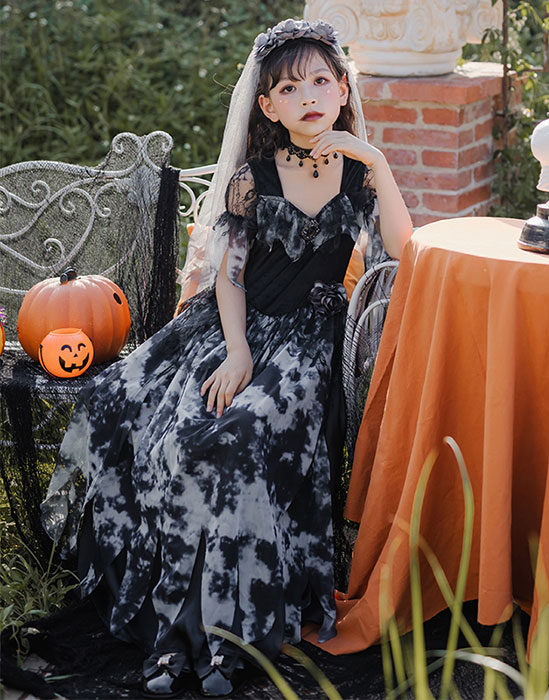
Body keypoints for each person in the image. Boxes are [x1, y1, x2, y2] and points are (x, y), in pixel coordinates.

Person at [40, 17, 413, 699]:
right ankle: (174, 627)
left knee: (234, 439)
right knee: (145, 416)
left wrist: (379, 161)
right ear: (266, 105)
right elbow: (231, 276)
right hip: (232, 329)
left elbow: (404, 248)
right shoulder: (252, 179)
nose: (308, 95)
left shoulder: (361, 175)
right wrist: (236, 352)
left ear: (342, 90)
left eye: (320, 81)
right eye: (289, 87)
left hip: (305, 346)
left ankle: (229, 631)